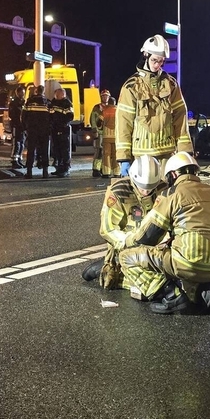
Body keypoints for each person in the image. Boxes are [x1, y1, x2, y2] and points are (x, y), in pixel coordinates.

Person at [118, 153, 210, 314]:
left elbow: (147, 237)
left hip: (186, 263)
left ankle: (171, 296)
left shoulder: (171, 194)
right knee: (189, 268)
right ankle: (204, 290)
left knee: (127, 257)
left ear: (174, 174)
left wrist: (127, 242)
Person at [82, 155, 169, 293]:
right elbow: (108, 229)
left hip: (157, 248)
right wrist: (129, 241)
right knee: (147, 284)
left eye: (150, 187)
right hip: (126, 248)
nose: (146, 191)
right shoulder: (118, 192)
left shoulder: (164, 189)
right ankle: (109, 268)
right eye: (142, 187)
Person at [116, 34, 193, 177]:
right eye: (154, 60)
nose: (158, 65)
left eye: (161, 62)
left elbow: (180, 118)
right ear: (145, 55)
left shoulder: (171, 84)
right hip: (141, 156)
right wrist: (124, 158)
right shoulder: (131, 86)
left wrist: (185, 152)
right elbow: (123, 123)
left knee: (166, 197)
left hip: (167, 155)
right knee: (144, 196)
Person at [22, 85, 51, 178]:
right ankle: (45, 172)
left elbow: (23, 116)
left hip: (32, 129)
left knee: (31, 150)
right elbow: (51, 117)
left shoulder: (30, 101)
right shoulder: (47, 102)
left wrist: (25, 127)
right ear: (43, 91)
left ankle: (29, 171)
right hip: (44, 130)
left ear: (36, 91)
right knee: (44, 150)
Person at [48, 87, 73, 177]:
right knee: (56, 150)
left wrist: (62, 125)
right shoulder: (53, 102)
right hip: (54, 129)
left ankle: (66, 168)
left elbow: (70, 116)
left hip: (63, 130)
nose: (56, 96)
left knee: (64, 150)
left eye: (57, 94)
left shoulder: (67, 104)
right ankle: (59, 168)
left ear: (62, 94)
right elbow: (50, 115)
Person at [89, 89, 111, 178]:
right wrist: (94, 130)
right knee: (99, 151)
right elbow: (93, 119)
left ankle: (103, 168)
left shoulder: (110, 107)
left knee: (106, 152)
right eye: (104, 96)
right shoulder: (97, 108)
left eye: (107, 96)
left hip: (108, 133)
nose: (105, 97)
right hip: (100, 133)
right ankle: (96, 169)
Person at [8, 85, 26, 168]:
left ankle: (19, 159)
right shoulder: (14, 103)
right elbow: (11, 115)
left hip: (22, 126)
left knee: (22, 143)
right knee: (16, 143)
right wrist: (17, 123)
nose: (23, 94)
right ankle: (14, 160)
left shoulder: (24, 102)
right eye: (21, 93)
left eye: (23, 93)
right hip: (16, 125)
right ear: (17, 93)